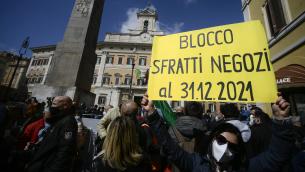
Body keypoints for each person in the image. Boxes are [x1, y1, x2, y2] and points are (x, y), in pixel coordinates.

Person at [142, 94, 295, 172]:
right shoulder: (197, 164)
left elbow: (277, 156)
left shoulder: (245, 167)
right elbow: (169, 148)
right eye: (221, 141)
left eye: (232, 146)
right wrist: (153, 115)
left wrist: (282, 120)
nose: (225, 149)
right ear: (212, 140)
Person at [26, 96, 77, 172]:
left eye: (54, 104)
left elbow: (65, 150)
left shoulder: (68, 122)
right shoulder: (58, 120)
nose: (51, 107)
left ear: (65, 106)